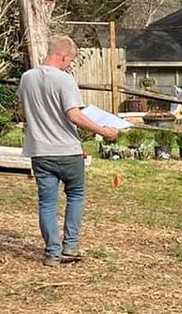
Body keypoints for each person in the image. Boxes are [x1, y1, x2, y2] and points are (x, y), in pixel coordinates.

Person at [19, 34, 119, 265]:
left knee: (47, 202)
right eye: (70, 60)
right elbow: (73, 115)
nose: (70, 65)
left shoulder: (27, 78)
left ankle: (52, 253)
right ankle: (71, 245)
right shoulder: (64, 80)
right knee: (75, 195)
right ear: (62, 56)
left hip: (39, 150)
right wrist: (104, 131)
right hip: (66, 150)